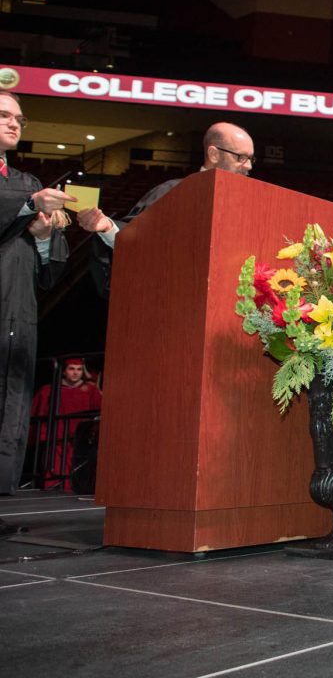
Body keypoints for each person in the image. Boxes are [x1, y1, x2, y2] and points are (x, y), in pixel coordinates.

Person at [78, 122, 255, 295]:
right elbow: (135, 239)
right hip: (174, 301)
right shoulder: (172, 192)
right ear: (214, 154)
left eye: (251, 158)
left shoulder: (252, 205)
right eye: (241, 157)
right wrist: (108, 227)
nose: (249, 166)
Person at [0, 91, 73, 495]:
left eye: (19, 119)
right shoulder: (28, 192)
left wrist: (45, 237)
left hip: (19, 312)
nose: (14, 124)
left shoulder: (27, 182)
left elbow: (49, 272)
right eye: (4, 116)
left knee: (12, 408)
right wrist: (30, 204)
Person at [29, 358, 102, 491]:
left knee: (77, 471)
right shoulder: (49, 390)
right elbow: (37, 412)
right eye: (71, 369)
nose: (75, 373)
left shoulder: (91, 391)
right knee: (53, 469)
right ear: (64, 372)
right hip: (56, 438)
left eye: (79, 369)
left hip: (80, 440)